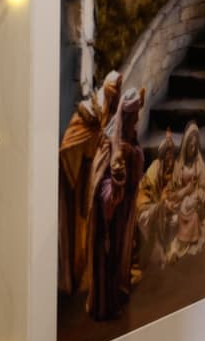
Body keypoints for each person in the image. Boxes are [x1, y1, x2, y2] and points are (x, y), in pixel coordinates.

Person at [58, 70, 122, 296]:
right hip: (81, 179)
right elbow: (68, 147)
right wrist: (85, 161)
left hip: (96, 177)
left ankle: (93, 273)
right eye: (112, 97)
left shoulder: (105, 118)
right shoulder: (87, 115)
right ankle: (81, 274)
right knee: (81, 228)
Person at [84, 88, 144, 321]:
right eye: (135, 114)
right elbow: (99, 179)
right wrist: (116, 184)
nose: (137, 118)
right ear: (127, 116)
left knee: (119, 254)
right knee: (106, 257)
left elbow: (137, 166)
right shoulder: (110, 141)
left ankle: (117, 296)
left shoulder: (131, 138)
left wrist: (133, 154)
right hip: (107, 212)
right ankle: (103, 305)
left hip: (123, 210)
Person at [165, 122, 205, 264]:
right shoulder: (179, 164)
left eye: (195, 146)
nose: (193, 149)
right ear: (185, 145)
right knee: (183, 208)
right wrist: (184, 192)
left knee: (191, 210)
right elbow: (174, 187)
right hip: (182, 197)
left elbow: (204, 184)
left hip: (194, 197)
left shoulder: (198, 163)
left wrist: (199, 195)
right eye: (190, 146)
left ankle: (180, 248)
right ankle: (178, 247)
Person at [134, 129, 178, 271]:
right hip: (147, 206)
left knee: (174, 219)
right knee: (151, 220)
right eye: (168, 156)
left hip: (163, 207)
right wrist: (162, 203)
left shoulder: (173, 170)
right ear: (163, 156)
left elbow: (173, 191)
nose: (170, 161)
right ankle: (155, 254)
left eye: (172, 156)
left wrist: (170, 201)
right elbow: (149, 194)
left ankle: (170, 249)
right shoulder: (155, 168)